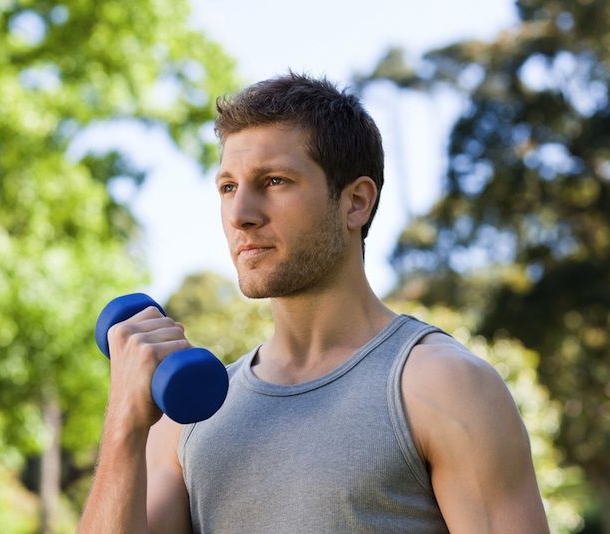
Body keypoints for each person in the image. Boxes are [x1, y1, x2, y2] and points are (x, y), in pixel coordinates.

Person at [78, 72, 550, 533]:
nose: (241, 215)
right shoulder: (188, 422)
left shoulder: (444, 387)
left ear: (356, 203)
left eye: (275, 181)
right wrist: (123, 424)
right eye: (228, 187)